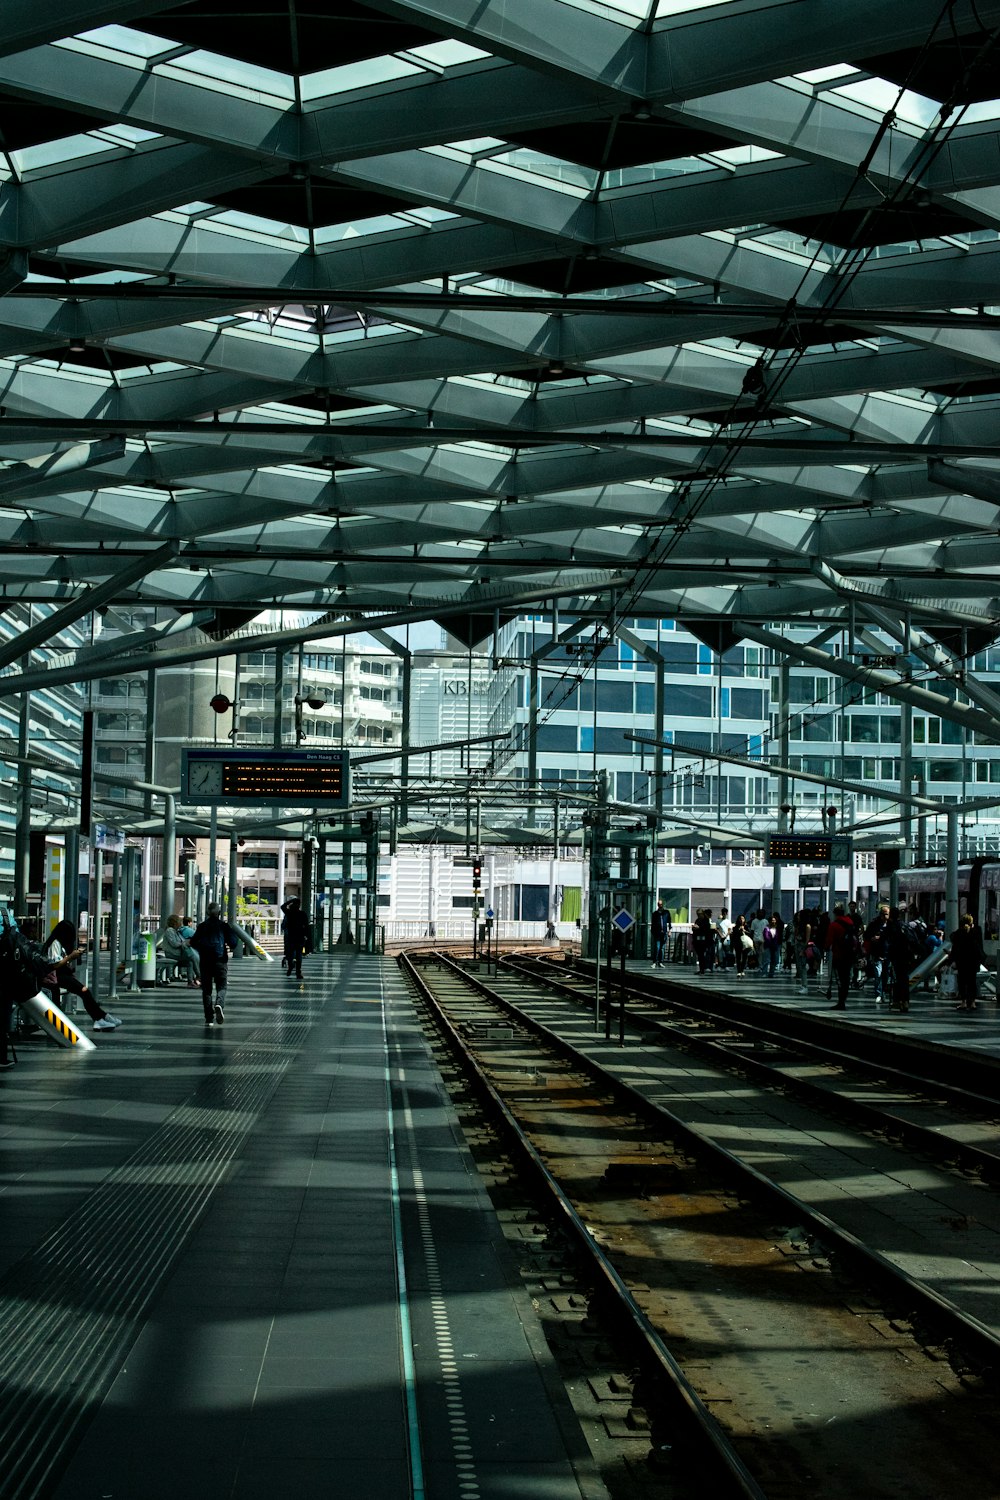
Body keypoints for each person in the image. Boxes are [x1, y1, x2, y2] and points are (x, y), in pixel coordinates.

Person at [44, 920, 122, 1031]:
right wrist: (70, 957)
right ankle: (101, 1018)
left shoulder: (59, 943)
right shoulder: (55, 943)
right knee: (84, 991)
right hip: (56, 977)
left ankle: (101, 1018)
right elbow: (55, 964)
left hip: (61, 975)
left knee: (84, 992)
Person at [191, 903, 240, 1024]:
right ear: (219, 913)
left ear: (207, 913)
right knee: (222, 985)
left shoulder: (202, 926)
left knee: (206, 990)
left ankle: (209, 1019)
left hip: (205, 961)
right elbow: (234, 942)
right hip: (220, 960)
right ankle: (219, 1003)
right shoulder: (223, 926)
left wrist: (201, 948)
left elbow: (193, 942)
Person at [949, 912, 985, 1012]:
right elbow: (979, 946)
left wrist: (951, 959)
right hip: (973, 961)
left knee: (962, 981)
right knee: (972, 981)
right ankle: (972, 1002)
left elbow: (955, 948)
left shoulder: (958, 933)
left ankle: (963, 1002)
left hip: (962, 961)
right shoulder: (977, 932)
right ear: (971, 922)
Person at [825, 903, 859, 1010]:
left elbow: (828, 941)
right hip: (850, 954)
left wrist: (826, 948)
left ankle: (841, 1002)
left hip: (839, 955)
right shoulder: (850, 922)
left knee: (840, 979)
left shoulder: (834, 925)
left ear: (835, 914)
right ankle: (843, 1000)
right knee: (846, 978)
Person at [161, 913, 200, 987]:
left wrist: (184, 942)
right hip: (172, 954)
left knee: (190, 961)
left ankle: (192, 981)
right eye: (179, 921)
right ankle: (199, 976)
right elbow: (174, 944)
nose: (180, 923)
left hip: (176, 953)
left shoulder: (175, 931)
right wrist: (184, 943)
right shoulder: (170, 931)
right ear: (175, 922)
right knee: (192, 957)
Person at [281, 897, 312, 978]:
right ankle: (298, 972)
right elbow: (306, 926)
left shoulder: (289, 913)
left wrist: (290, 901)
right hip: (300, 936)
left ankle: (290, 966)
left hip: (291, 936)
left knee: (290, 954)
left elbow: (282, 906)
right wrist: (306, 936)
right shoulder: (302, 914)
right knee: (299, 955)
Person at [792, 907, 813, 996]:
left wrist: (803, 950)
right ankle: (803, 985)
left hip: (803, 947)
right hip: (797, 945)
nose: (798, 917)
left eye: (800, 915)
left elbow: (807, 940)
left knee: (803, 966)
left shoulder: (807, 926)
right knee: (799, 966)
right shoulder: (798, 926)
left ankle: (805, 986)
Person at [731, 913, 752, 979]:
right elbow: (734, 935)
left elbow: (750, 934)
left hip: (745, 945)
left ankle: (742, 969)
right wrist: (739, 930)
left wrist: (744, 930)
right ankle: (739, 971)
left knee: (745, 958)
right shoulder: (735, 927)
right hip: (738, 944)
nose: (741, 920)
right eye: (740, 919)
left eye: (743, 918)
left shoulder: (746, 927)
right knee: (738, 958)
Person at [650, 901, 670, 967]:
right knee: (657, 947)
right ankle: (655, 961)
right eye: (659, 904)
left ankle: (660, 961)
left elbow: (669, 922)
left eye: (661, 904)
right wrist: (653, 932)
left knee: (662, 948)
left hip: (663, 932)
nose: (660, 906)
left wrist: (669, 931)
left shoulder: (666, 913)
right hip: (657, 933)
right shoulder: (655, 914)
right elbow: (653, 924)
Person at [749, 909, 768, 974]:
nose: (760, 914)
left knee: (762, 953)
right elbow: (752, 931)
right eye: (759, 913)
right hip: (756, 939)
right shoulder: (754, 921)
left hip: (763, 940)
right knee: (757, 953)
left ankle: (761, 966)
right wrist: (751, 940)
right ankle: (759, 966)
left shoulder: (766, 921)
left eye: (761, 913)